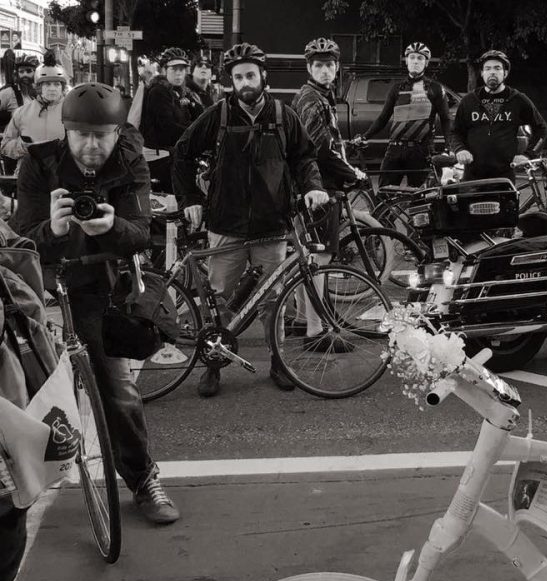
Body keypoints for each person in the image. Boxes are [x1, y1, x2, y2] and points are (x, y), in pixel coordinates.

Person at [10, 82, 180, 523]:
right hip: (40, 290)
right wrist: (53, 230)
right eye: (81, 134)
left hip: (98, 285)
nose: (91, 145)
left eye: (101, 135)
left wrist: (112, 226)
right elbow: (20, 241)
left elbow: (142, 232)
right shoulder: (38, 163)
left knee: (118, 390)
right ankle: (15, 485)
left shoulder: (128, 159)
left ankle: (143, 479)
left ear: (116, 133)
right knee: (19, 388)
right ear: (65, 131)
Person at [173, 42, 328, 398]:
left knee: (273, 300)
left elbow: (304, 157)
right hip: (225, 223)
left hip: (271, 225)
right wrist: (191, 200)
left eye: (250, 75)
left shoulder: (283, 114)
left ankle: (278, 361)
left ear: (263, 77)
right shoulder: (218, 114)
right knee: (218, 297)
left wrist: (313, 187)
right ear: (231, 81)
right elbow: (182, 153)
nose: (244, 82)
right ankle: (213, 363)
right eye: (238, 76)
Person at [291, 37, 367, 354]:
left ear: (337, 68)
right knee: (319, 260)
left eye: (330, 64)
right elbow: (320, 148)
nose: (325, 70)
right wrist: (352, 174)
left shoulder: (321, 96)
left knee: (307, 257)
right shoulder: (312, 99)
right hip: (318, 189)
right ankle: (316, 331)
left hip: (312, 187)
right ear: (310, 68)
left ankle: (300, 319)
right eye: (319, 65)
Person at [357, 42, 451, 187]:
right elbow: (383, 118)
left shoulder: (435, 88)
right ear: (406, 61)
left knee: (419, 199)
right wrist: (364, 137)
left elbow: (446, 120)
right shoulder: (397, 88)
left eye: (420, 58)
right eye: (412, 57)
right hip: (395, 149)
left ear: (426, 63)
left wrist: (448, 148)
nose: (415, 61)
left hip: (421, 151)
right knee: (385, 196)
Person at [450, 50, 547, 182]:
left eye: (497, 68)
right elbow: (455, 132)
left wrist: (528, 155)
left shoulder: (518, 99)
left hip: (504, 174)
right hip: (472, 173)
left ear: (505, 73)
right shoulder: (469, 101)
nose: (492, 72)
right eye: (488, 68)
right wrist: (460, 149)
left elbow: (542, 129)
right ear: (482, 73)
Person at [139, 47, 204, 192]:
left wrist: (192, 102)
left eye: (182, 69)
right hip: (160, 160)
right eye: (174, 69)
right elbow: (167, 128)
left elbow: (199, 117)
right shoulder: (158, 92)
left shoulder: (178, 93)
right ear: (163, 70)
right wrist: (195, 135)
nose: (179, 73)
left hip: (172, 155)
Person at [1, 54, 67, 163]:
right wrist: (24, 147)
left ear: (62, 87)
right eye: (47, 84)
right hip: (29, 174)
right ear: (39, 87)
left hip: (61, 175)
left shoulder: (72, 111)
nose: (52, 89)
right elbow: (5, 146)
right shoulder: (21, 113)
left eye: (57, 84)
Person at [0, 54, 38, 174]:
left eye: (29, 71)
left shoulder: (37, 95)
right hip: (13, 151)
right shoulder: (8, 93)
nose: (25, 75)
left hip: (33, 152)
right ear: (17, 74)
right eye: (21, 72)